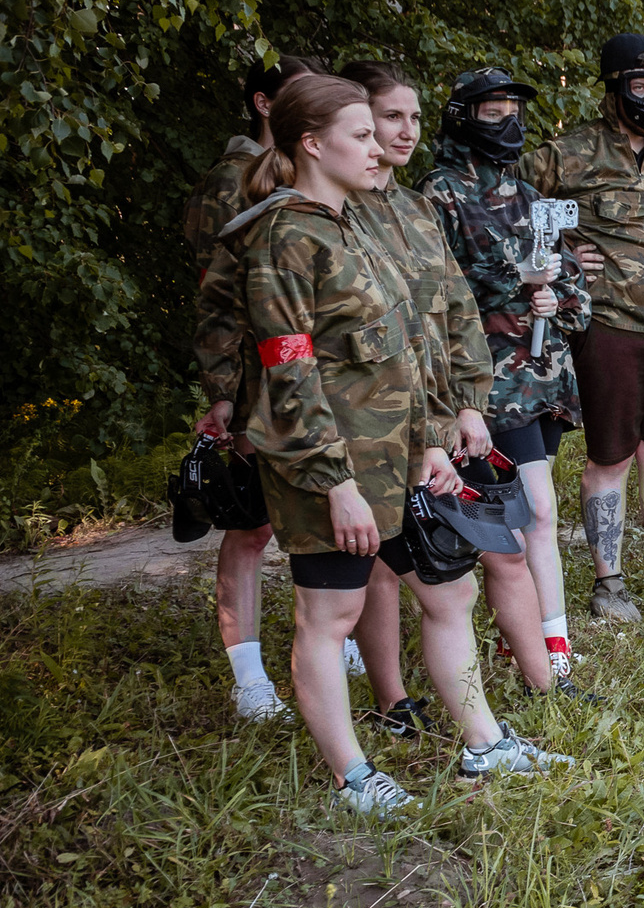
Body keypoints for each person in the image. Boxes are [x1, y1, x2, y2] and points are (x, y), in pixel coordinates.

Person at [235, 76, 570, 814]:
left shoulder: (360, 221)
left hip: (401, 456)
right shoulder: (284, 238)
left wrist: (429, 444)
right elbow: (288, 376)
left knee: (452, 591)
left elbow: (406, 347)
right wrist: (335, 483)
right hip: (336, 471)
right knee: (330, 618)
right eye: (360, 133)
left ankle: (484, 743)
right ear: (312, 144)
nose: (378, 144)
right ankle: (354, 778)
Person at [524, 33, 644, 622]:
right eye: (641, 87)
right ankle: (609, 584)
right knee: (609, 458)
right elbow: (510, 203)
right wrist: (560, 257)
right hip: (607, 328)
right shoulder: (570, 152)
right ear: (614, 89)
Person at [424, 66, 591, 683]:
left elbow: (575, 283)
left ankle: (545, 643)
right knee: (531, 515)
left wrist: (557, 298)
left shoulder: (527, 198)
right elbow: (438, 294)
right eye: (493, 111)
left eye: (513, 111)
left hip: (544, 379)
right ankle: (546, 652)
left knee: (532, 517)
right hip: (490, 388)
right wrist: (518, 286)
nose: (508, 122)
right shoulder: (437, 195)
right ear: (464, 118)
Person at [188, 54, 328, 720]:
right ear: (265, 104)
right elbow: (212, 296)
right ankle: (248, 675)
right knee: (251, 524)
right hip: (252, 379)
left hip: (314, 377)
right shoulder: (233, 180)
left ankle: (331, 642)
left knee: (318, 513)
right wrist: (221, 389)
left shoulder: (323, 177)